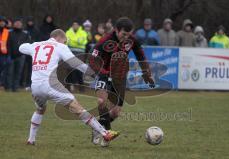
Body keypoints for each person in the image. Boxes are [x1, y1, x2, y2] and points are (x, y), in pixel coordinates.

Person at [19, 29, 119, 145]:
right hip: (50, 85)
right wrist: (91, 71)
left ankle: (31, 140)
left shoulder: (36, 46)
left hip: (35, 87)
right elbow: (74, 62)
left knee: (40, 109)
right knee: (77, 108)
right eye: (65, 41)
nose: (65, 44)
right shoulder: (60, 46)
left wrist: (31, 43)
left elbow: (21, 47)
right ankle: (105, 133)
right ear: (59, 38)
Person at [89, 17, 155, 147]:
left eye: (129, 34)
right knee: (102, 102)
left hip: (119, 77)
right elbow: (92, 59)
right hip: (104, 74)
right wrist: (102, 72)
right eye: (123, 34)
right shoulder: (105, 40)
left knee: (115, 112)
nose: (126, 37)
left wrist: (146, 73)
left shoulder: (132, 40)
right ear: (116, 30)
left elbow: (140, 55)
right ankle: (106, 134)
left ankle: (97, 128)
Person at [5, 18, 30, 92]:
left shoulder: (25, 34)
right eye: (16, 23)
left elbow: (27, 43)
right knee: (9, 72)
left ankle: (15, 87)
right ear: (14, 24)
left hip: (21, 56)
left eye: (19, 23)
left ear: (21, 24)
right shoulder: (9, 33)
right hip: (11, 56)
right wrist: (8, 54)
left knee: (18, 73)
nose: (18, 24)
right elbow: (7, 44)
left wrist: (23, 53)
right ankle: (8, 87)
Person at [23, 16, 40, 89]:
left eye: (31, 21)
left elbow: (38, 40)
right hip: (24, 51)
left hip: (33, 51)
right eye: (29, 21)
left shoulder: (36, 30)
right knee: (23, 68)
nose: (30, 22)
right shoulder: (24, 30)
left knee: (31, 69)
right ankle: (22, 83)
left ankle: (29, 84)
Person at [0, 16, 10, 87]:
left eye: (3, 22)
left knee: (3, 70)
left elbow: (10, 43)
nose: (2, 23)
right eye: (1, 22)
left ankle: (2, 84)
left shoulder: (8, 32)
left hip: (4, 54)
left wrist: (9, 54)